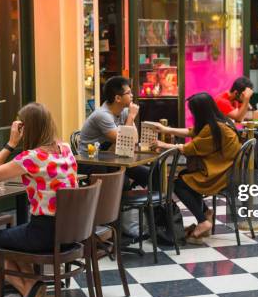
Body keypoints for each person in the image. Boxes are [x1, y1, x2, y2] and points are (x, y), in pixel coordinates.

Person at [0, 102, 78, 297]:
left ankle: (29, 288)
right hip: (72, 233)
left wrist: (11, 143)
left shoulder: (31, 158)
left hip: (44, 234)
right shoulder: (66, 149)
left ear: (26, 128)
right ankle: (32, 287)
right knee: (15, 239)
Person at [154, 93, 241, 244]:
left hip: (221, 174)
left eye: (193, 111)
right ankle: (206, 213)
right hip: (225, 169)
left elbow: (188, 148)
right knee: (184, 177)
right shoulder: (221, 122)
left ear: (200, 111)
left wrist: (163, 145)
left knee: (179, 185)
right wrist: (166, 130)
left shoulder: (214, 129)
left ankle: (203, 221)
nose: (192, 114)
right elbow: (191, 131)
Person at [78, 76, 151, 189]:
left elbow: (135, 140)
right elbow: (124, 141)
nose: (132, 95)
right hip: (91, 162)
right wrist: (131, 116)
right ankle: (118, 205)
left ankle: (155, 206)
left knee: (150, 174)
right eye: (129, 93)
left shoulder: (125, 111)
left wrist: (129, 116)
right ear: (118, 98)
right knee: (122, 183)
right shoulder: (102, 115)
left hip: (110, 159)